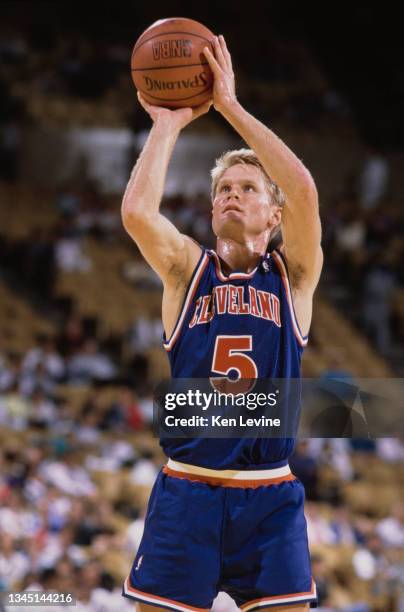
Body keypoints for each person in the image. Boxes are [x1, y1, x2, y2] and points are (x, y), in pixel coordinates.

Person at [121, 36, 322, 612]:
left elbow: (305, 190)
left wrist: (230, 106)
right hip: (187, 489)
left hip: (270, 496)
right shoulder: (188, 270)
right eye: (223, 190)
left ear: (273, 215)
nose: (232, 196)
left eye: (248, 189)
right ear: (212, 209)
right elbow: (136, 213)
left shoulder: (295, 278)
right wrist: (166, 123)